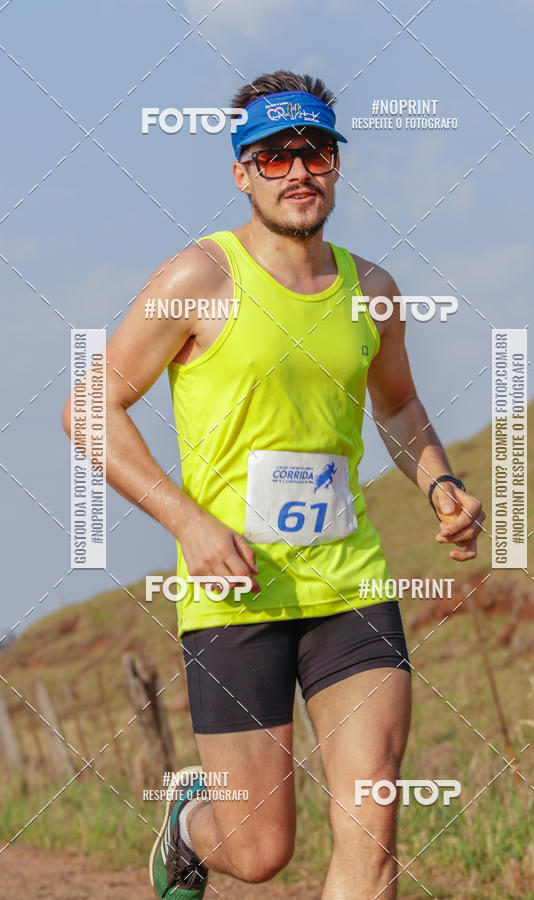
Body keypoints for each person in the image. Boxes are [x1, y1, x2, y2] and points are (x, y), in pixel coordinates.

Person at [63, 70, 485, 899]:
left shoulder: (373, 292)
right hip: (237, 594)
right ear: (241, 172)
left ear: (335, 164)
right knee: (259, 853)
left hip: (349, 583)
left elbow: (399, 410)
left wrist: (441, 486)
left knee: (372, 826)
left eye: (315, 151)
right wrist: (187, 522)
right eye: (274, 155)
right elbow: (90, 408)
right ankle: (190, 824)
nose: (298, 170)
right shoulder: (198, 278)